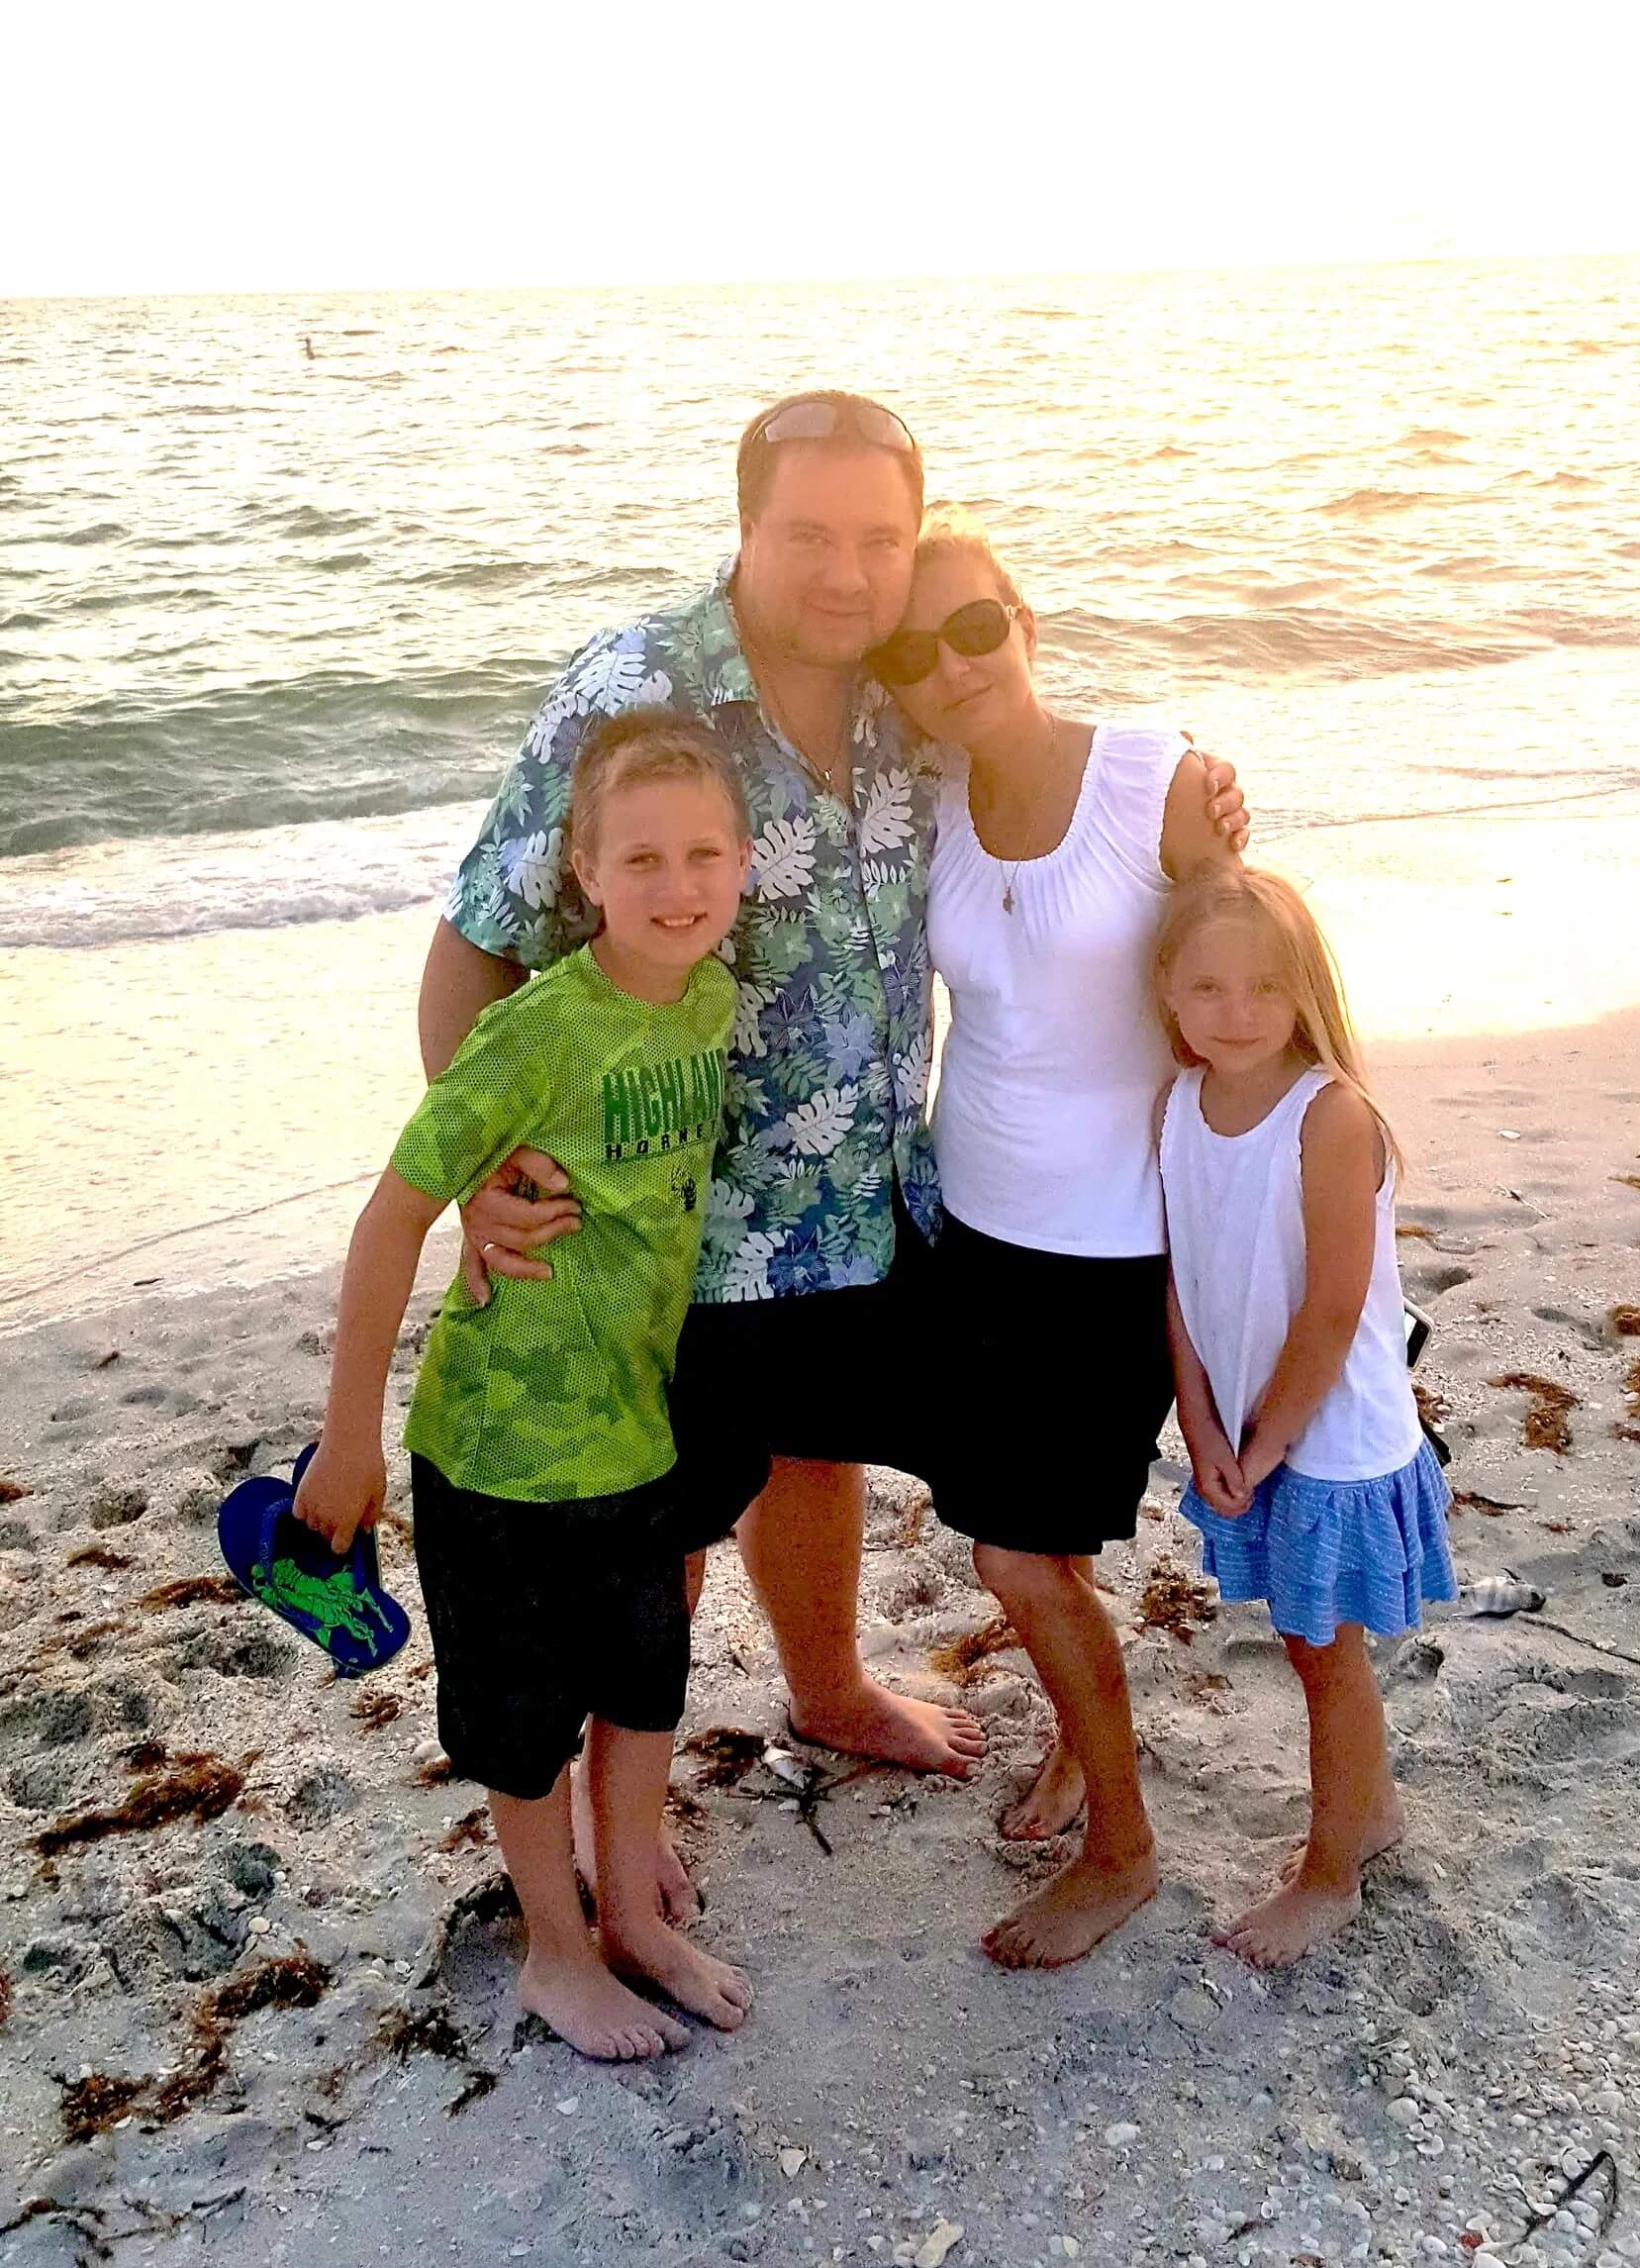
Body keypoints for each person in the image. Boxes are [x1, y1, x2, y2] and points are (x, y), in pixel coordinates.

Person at [420, 393, 1253, 1816]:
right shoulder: (630, 691)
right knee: (655, 1516)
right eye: (807, 534)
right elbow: (476, 942)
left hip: (872, 1196)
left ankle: (827, 1688)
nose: (846, 574)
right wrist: (480, 1172)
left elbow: (1042, 768)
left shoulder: (903, 687)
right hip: (667, 1214)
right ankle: (627, 1810)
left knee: (816, 1445)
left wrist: (1191, 791)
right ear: (746, 527)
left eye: (877, 539)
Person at [294, 711, 753, 2060]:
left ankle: (632, 1917)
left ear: (742, 865)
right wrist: (347, 1440)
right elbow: (391, 1217)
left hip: (635, 1436)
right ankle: (556, 1951)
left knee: (645, 1690)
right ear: (584, 872)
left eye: (704, 855)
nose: (677, 886)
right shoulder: (537, 1031)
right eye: (642, 859)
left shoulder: (712, 1001)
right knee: (520, 1727)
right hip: (498, 1455)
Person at [870, 509, 1242, 1967]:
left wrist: (1308, 1177)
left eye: (973, 626)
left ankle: (1124, 1853)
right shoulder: (927, 804)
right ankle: (1086, 1748)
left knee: (1018, 1560)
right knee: (1031, 1546)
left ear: (1023, 623)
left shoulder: (1156, 778)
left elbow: (1245, 980)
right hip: (973, 1229)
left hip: (1119, 1241)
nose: (949, 663)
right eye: (912, 650)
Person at [1154, 866, 1456, 1968]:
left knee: (1325, 1654)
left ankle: (1330, 1877)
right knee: (1303, 1638)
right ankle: (1370, 1814)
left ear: (1305, 991)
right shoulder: (1176, 1105)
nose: (1236, 1011)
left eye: (1264, 987)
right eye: (1207, 986)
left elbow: (1332, 1308)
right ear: (1166, 990)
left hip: (1329, 1436)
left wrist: (1267, 1441)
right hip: (1246, 1426)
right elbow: (1179, 1283)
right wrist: (1200, 1425)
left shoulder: (1328, 1115)